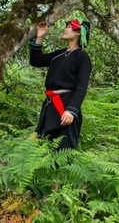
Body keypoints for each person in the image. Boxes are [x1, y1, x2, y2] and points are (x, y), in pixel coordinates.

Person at [29, 19, 92, 149]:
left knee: (64, 148)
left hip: (66, 107)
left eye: (69, 27)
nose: (65, 29)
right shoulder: (58, 54)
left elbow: (81, 87)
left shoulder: (82, 57)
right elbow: (36, 61)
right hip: (50, 105)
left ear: (78, 33)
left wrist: (71, 110)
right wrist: (40, 37)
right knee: (43, 146)